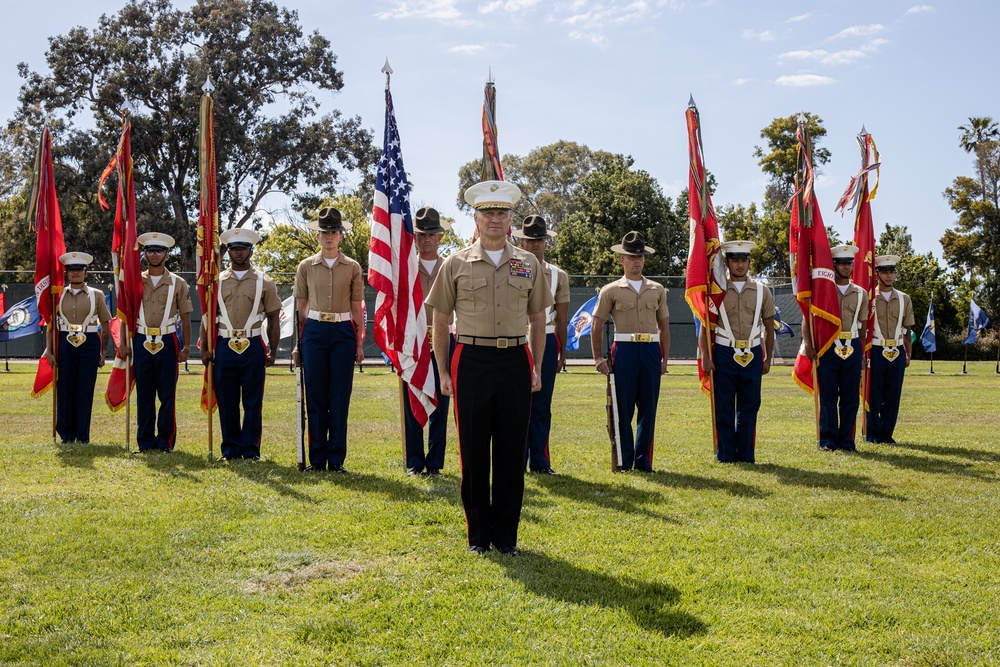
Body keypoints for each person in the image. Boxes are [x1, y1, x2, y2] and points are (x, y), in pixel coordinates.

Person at [426, 180, 552, 556]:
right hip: (471, 359)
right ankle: (479, 537)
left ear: (510, 218)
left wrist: (537, 367)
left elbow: (537, 318)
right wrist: (444, 372)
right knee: (474, 450)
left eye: (501, 212)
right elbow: (440, 318)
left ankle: (507, 538)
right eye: (487, 213)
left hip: (515, 358)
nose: (495, 219)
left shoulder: (528, 263)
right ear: (476, 219)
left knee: (513, 452)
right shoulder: (455, 263)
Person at [199, 228, 282, 461]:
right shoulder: (215, 282)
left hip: (253, 343)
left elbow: (274, 318)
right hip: (224, 345)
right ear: (228, 251)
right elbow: (207, 317)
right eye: (234, 249)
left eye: (242, 249)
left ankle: (251, 450)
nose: (238, 253)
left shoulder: (265, 281)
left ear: (250, 251)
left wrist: (273, 351)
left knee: (253, 401)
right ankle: (230, 450)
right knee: (227, 400)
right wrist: (204, 348)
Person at [292, 206, 365, 473]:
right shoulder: (305, 267)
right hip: (314, 331)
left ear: (341, 235)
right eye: (325, 232)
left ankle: (336, 459)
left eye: (334, 231)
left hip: (343, 332)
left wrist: (358, 343)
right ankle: (316, 460)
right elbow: (300, 308)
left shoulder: (353, 267)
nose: (329, 236)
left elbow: (357, 308)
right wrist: (299, 344)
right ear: (318, 236)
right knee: (315, 396)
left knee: (339, 397)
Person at [591, 231, 669, 472]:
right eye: (631, 256)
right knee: (621, 408)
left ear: (644, 259)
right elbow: (596, 324)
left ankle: (643, 461)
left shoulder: (657, 289)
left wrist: (664, 357)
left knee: (648, 407)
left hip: (650, 350)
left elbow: (664, 326)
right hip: (623, 350)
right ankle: (624, 460)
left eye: (640, 256)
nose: (636, 260)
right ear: (621, 259)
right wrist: (597, 358)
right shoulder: (610, 290)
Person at [699, 240, 774, 464]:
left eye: (743, 260)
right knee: (723, 405)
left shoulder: (763, 291)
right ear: (727, 263)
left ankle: (745, 455)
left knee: (750, 406)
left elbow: (769, 326)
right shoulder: (716, 292)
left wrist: (768, 356)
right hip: (723, 352)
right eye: (734, 260)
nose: (739, 265)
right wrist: (705, 354)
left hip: (752, 351)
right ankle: (725, 455)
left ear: (750, 262)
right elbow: (705, 324)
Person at [126, 232, 193, 453]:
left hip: (167, 340)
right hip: (141, 339)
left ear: (167, 254)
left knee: (167, 394)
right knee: (144, 394)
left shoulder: (178, 283)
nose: (154, 255)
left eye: (159, 251)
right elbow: (125, 313)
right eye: (150, 251)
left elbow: (185, 317)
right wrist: (125, 343)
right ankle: (145, 442)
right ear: (144, 254)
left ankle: (166, 442)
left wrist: (185, 347)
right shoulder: (134, 280)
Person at [513, 215, 569, 475]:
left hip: (546, 338)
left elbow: (562, 318)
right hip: (515, 338)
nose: (535, 244)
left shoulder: (559, 275)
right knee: (515, 403)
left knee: (542, 403)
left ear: (546, 243)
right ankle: (515, 460)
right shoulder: (510, 266)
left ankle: (540, 461)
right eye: (529, 240)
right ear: (520, 242)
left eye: (539, 240)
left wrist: (561, 353)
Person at [803, 244, 869, 452]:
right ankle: (828, 440)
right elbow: (808, 319)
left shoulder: (861, 293)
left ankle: (847, 441)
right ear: (833, 265)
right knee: (829, 396)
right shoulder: (823, 291)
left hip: (852, 346)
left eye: (849, 263)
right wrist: (808, 344)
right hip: (828, 348)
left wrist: (863, 353)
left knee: (850, 397)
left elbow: (863, 325)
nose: (846, 267)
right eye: (841, 263)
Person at [403, 206, 453, 476]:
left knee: (441, 401)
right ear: (415, 237)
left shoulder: (452, 266)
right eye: (421, 234)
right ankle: (414, 461)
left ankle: (434, 463)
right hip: (413, 341)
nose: (426, 239)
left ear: (440, 236)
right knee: (412, 399)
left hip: (445, 338)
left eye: (432, 234)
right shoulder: (406, 268)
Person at [43, 252, 112, 444]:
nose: (75, 274)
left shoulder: (96, 295)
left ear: (85, 272)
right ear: (66, 273)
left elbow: (105, 325)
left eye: (79, 270)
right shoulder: (57, 294)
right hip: (64, 341)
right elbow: (50, 325)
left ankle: (82, 436)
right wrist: (49, 351)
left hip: (89, 342)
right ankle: (66, 435)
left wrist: (103, 352)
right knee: (64, 389)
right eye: (71, 270)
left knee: (85, 390)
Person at [866, 254, 914, 444]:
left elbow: (907, 328)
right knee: (874, 394)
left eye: (891, 272)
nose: (888, 276)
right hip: (876, 350)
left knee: (893, 395)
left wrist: (908, 352)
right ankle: (872, 433)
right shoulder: (868, 297)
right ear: (877, 273)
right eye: (885, 272)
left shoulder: (904, 298)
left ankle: (887, 434)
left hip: (897, 349)